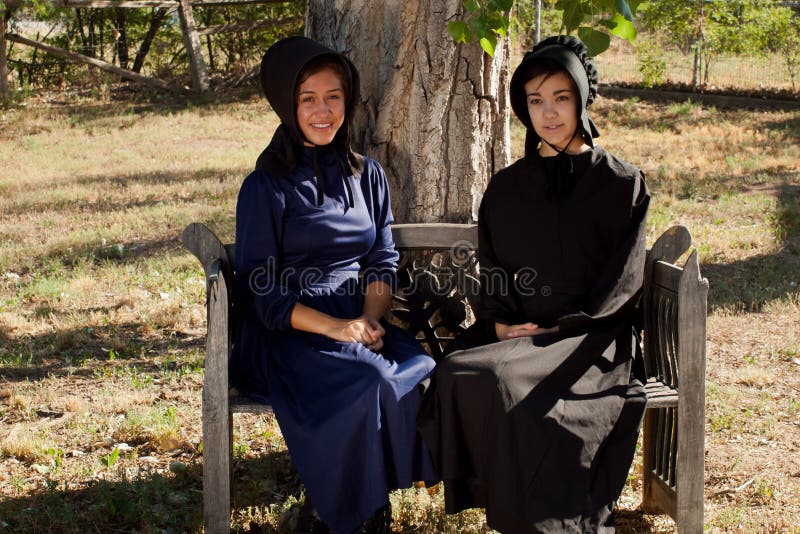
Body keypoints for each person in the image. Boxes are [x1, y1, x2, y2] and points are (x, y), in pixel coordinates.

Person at [418, 35, 651, 533]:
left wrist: (563, 330)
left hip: (591, 338)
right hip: (517, 335)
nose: (548, 113)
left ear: (582, 100)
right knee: (460, 372)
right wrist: (501, 327)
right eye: (535, 100)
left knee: (507, 382)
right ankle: (504, 502)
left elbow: (623, 282)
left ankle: (548, 522)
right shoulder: (506, 188)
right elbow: (495, 267)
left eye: (561, 98)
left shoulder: (620, 184)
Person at [230, 36, 437, 534]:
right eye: (308, 99)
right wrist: (336, 328)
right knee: (369, 380)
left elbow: (381, 260)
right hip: (291, 330)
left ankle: (361, 504)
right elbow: (262, 289)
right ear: (287, 104)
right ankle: (344, 513)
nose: (323, 111)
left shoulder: (369, 176)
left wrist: (367, 318)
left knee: (420, 367)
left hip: (358, 318)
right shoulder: (266, 186)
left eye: (333, 97)